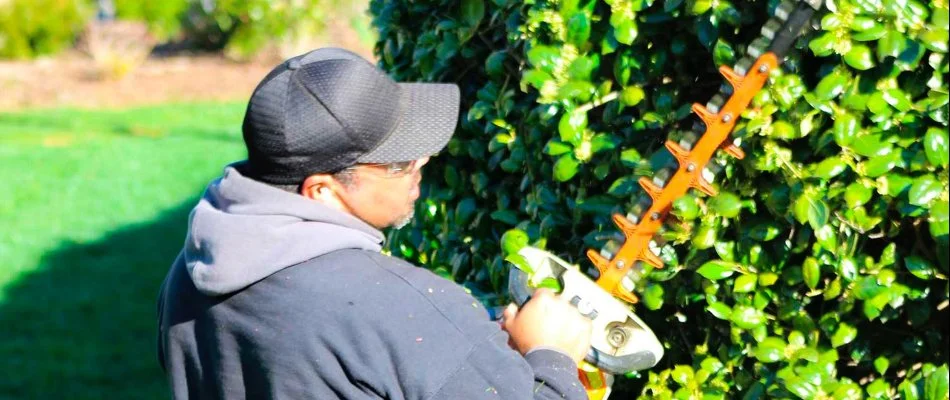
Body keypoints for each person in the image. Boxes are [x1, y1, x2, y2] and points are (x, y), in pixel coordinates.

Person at [156, 47, 593, 399]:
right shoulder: (402, 310)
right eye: (399, 163)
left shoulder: (189, 277)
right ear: (322, 190)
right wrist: (552, 354)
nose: (424, 160)